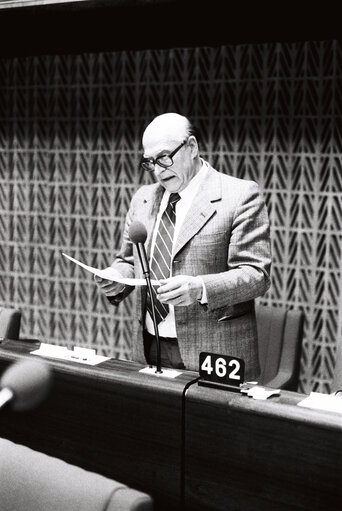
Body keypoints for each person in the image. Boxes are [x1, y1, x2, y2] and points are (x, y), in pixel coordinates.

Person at [94, 113, 271, 380]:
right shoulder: (143, 198)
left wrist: (199, 288)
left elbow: (256, 276)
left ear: (192, 147)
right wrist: (118, 277)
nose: (158, 169)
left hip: (215, 351)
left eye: (165, 157)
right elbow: (130, 260)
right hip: (149, 346)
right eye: (150, 162)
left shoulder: (239, 196)